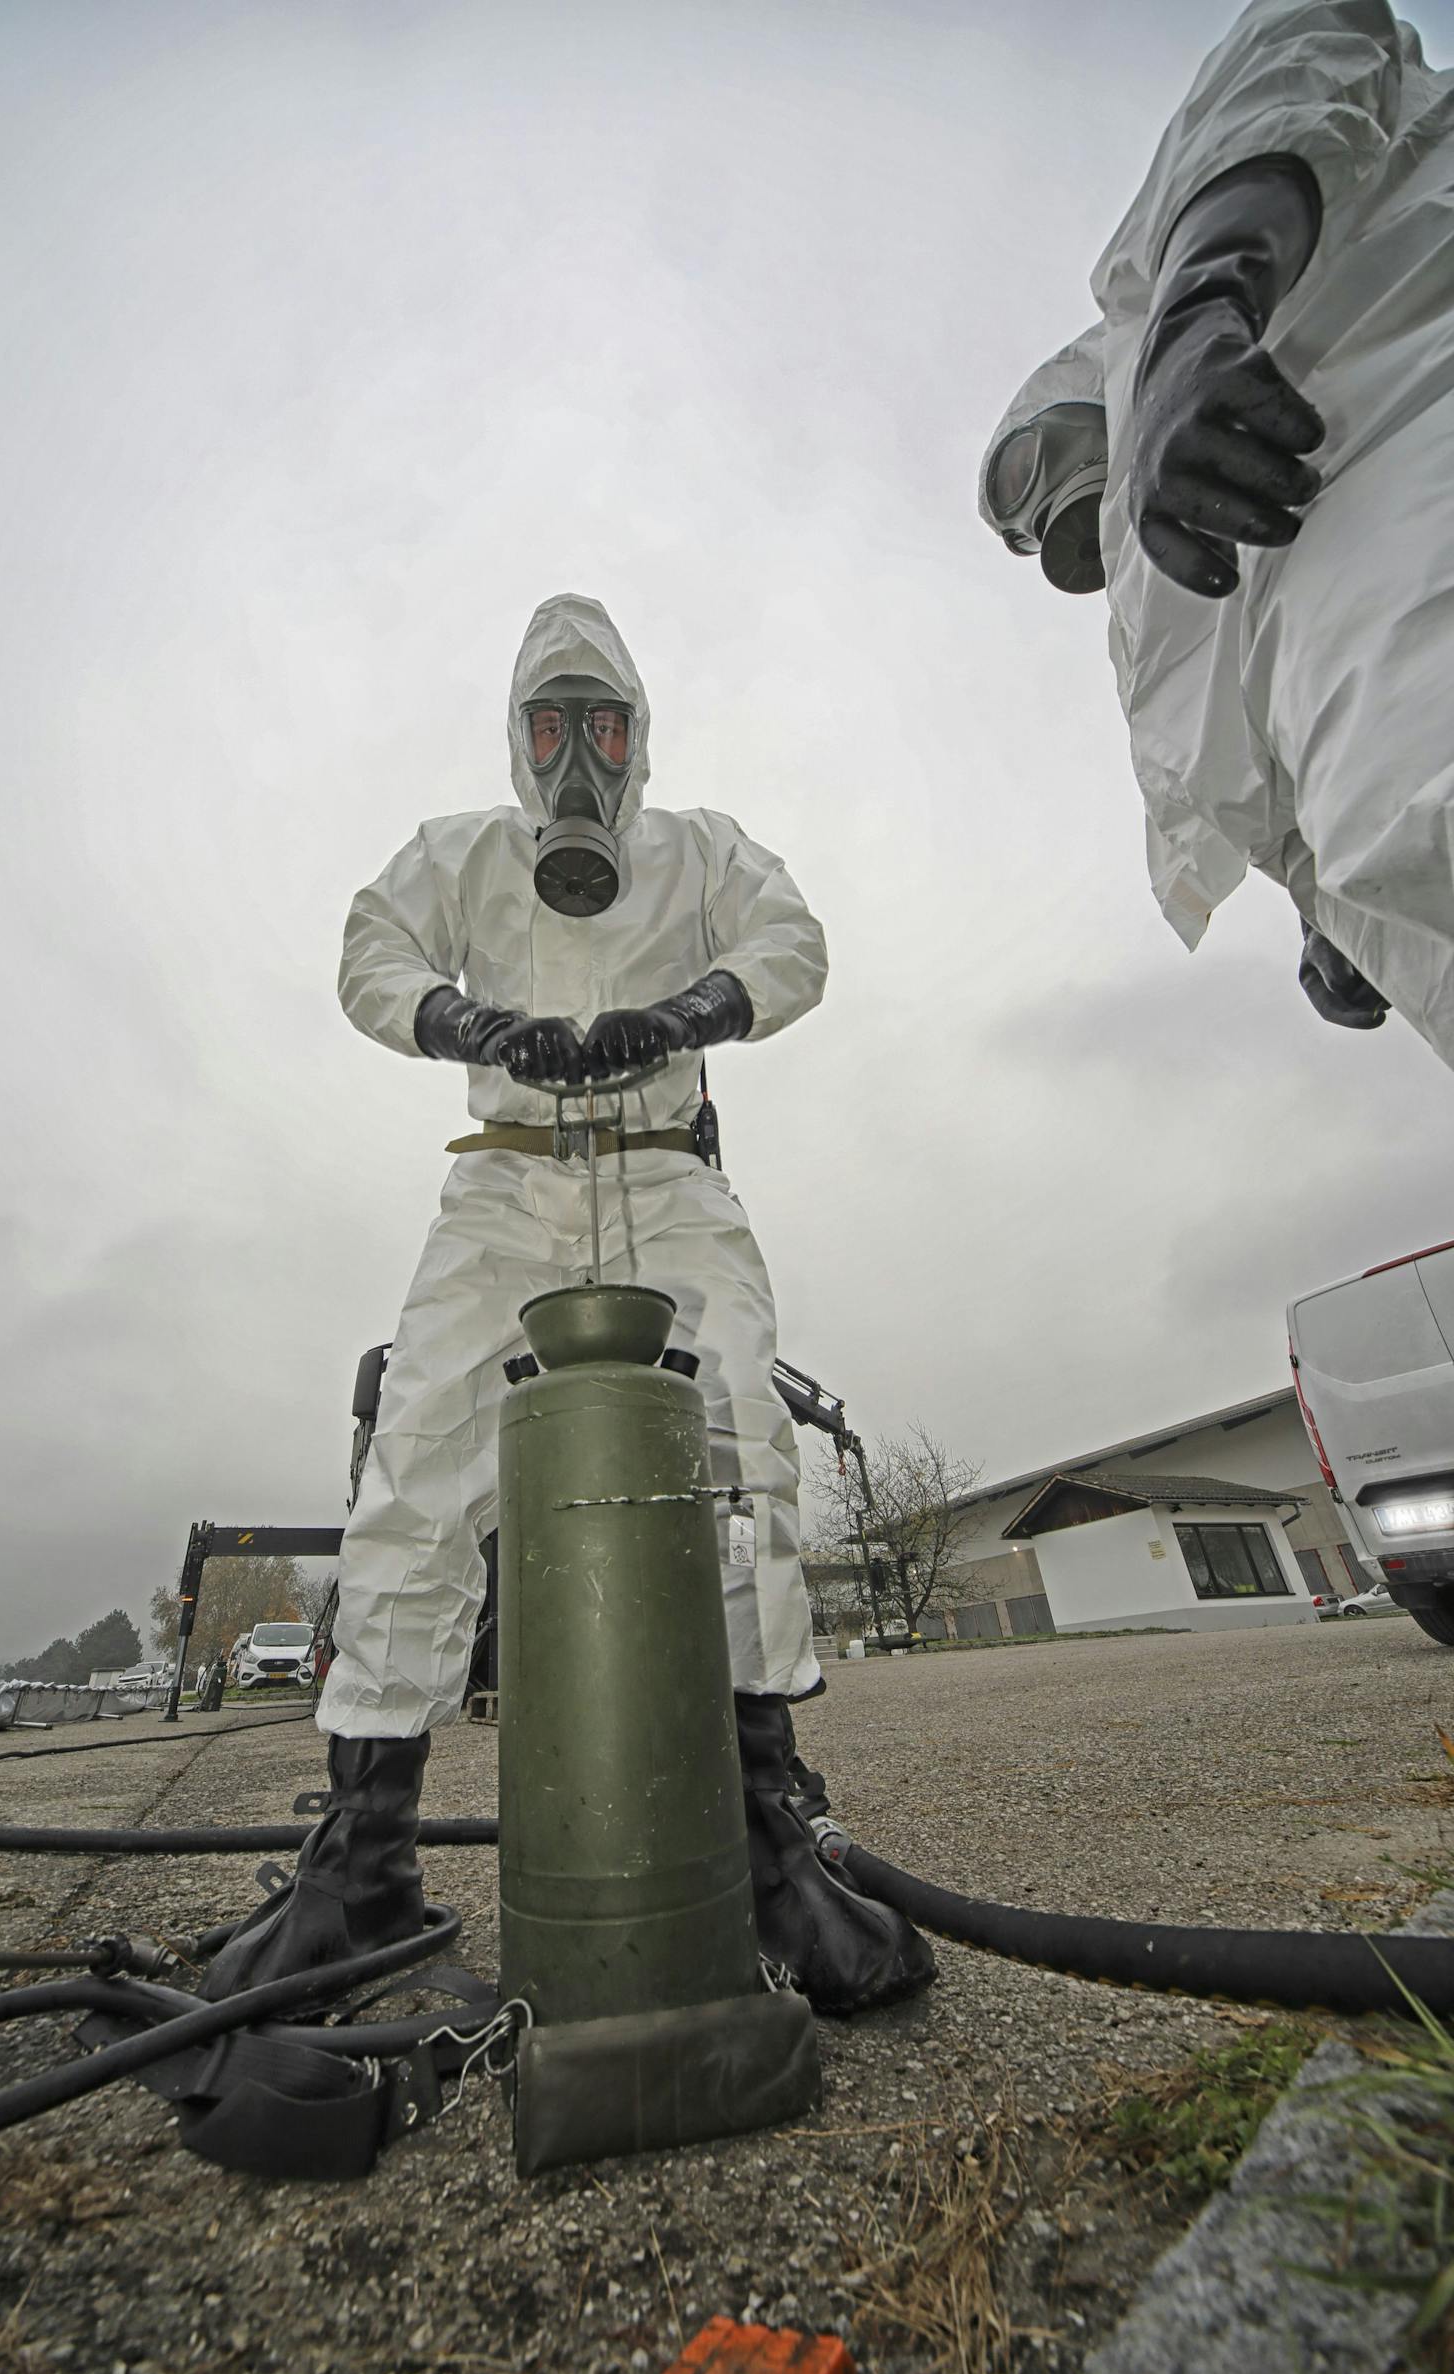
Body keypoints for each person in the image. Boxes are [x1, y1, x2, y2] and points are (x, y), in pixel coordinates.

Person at [202, 593, 932, 2015]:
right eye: (552, 725)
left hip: (666, 1173)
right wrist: (467, 1024)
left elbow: (797, 943)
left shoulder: (699, 849)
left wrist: (692, 1014)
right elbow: (370, 951)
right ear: (516, 738)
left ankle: (766, 1837)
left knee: (741, 1456)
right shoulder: (463, 855)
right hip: (503, 1183)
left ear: (640, 735)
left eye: (604, 725)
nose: (578, 758)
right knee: (415, 1470)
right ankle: (360, 1871)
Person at [978, 1, 1454, 1071]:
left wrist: (1199, 297)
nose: (1053, 516)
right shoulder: (1164, 606)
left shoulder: (1159, 281)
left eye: (1032, 472)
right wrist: (1326, 914)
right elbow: (1252, 759)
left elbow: (1301, 43)